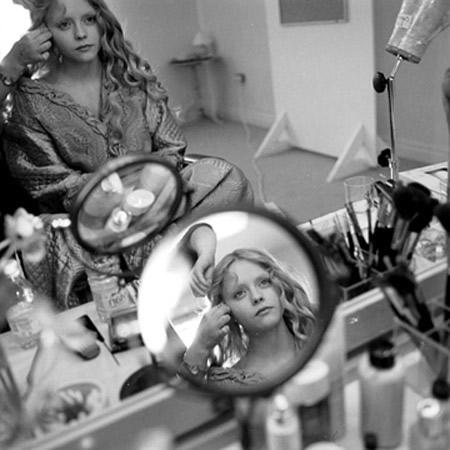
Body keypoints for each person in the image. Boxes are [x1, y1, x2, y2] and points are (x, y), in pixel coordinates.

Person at [0, 0, 253, 309]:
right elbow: (47, 182)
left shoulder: (132, 76)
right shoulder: (30, 100)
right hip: (90, 219)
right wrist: (114, 196)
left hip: (159, 198)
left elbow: (171, 147)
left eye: (89, 19)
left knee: (224, 176)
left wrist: (149, 189)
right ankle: (176, 245)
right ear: (44, 33)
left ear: (102, 21)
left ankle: (152, 252)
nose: (81, 33)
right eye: (64, 25)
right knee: (50, 238)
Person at [182, 248, 316, 386]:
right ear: (227, 312)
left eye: (264, 282)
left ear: (280, 287)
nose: (257, 297)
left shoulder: (321, 335)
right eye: (240, 293)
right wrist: (200, 345)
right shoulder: (227, 384)